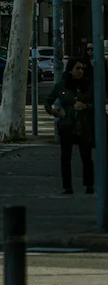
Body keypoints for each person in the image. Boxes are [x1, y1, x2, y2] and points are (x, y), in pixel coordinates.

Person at [47, 56, 95, 194]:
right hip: (67, 125)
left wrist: (85, 106)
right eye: (77, 68)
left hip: (84, 126)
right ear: (70, 70)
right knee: (65, 157)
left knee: (86, 156)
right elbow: (48, 101)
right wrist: (54, 112)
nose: (80, 71)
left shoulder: (88, 85)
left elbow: (97, 104)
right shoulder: (61, 86)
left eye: (82, 69)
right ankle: (67, 186)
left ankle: (89, 185)